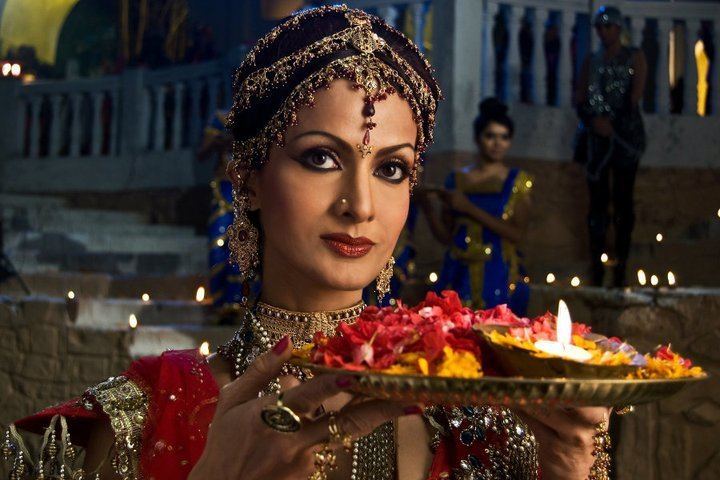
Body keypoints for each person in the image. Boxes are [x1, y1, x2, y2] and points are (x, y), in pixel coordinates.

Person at [6, 7, 609, 480]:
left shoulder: (479, 415)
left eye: (391, 169)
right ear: (247, 174)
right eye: (321, 157)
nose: (361, 205)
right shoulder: (145, 416)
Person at [419, 98, 533, 316]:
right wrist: (427, 207)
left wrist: (469, 208)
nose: (497, 143)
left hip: (498, 272)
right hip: (458, 272)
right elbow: (446, 237)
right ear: (477, 138)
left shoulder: (518, 181)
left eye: (504, 137)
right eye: (490, 136)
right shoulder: (457, 180)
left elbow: (517, 234)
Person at [574, 5, 647, 288]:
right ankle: (597, 269)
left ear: (619, 28)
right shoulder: (591, 61)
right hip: (596, 139)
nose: (604, 32)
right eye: (600, 27)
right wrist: (594, 122)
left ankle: (620, 270)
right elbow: (580, 97)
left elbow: (635, 97)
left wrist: (612, 124)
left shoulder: (634, 56)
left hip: (624, 138)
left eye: (609, 26)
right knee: (598, 206)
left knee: (623, 203)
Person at [197, 108, 248, 315]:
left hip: (250, 192)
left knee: (243, 247)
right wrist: (222, 141)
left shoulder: (260, 114)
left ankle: (236, 302)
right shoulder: (220, 118)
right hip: (224, 189)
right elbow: (202, 153)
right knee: (217, 245)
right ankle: (219, 303)